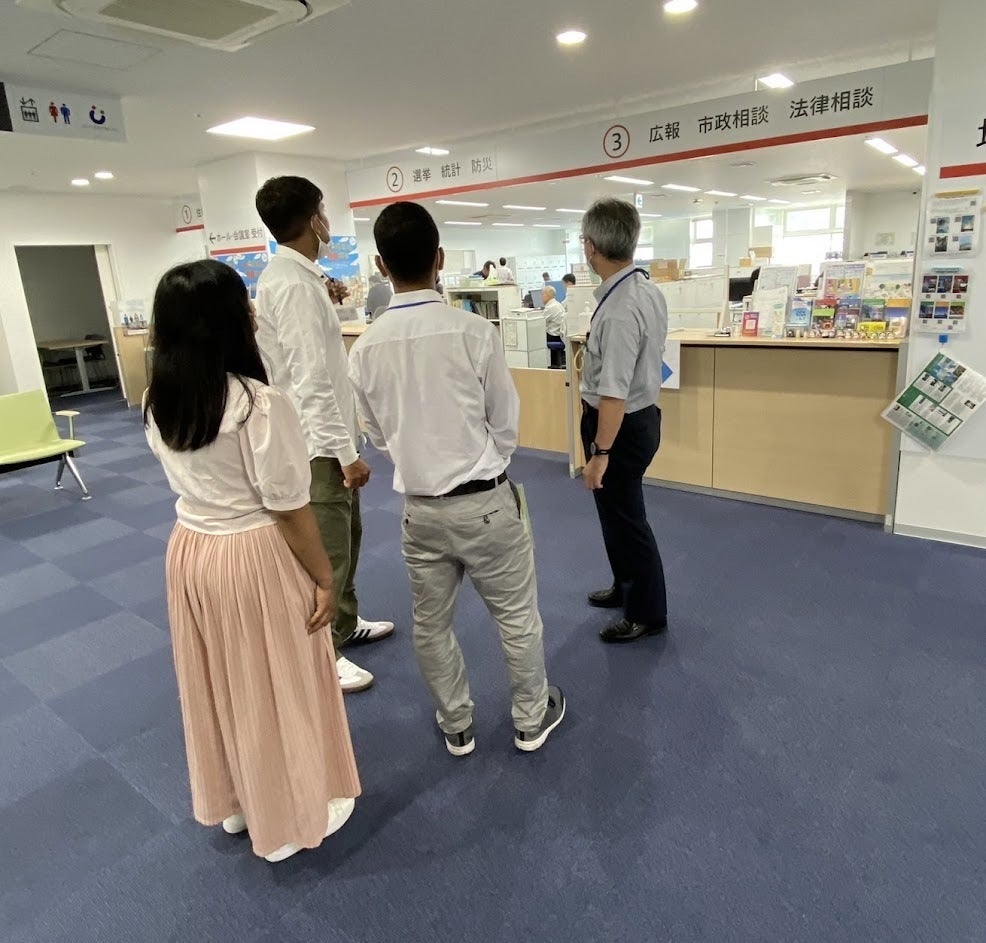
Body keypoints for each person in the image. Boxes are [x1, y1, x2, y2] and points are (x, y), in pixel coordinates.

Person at [144, 259, 360, 863]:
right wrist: (324, 577)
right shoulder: (256, 403)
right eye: (245, 304)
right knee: (277, 679)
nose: (254, 312)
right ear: (228, 321)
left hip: (191, 550)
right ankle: (287, 815)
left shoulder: (158, 399)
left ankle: (239, 799)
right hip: (253, 554)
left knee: (219, 678)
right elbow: (289, 507)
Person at [348, 201, 565, 757]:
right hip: (486, 503)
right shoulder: (473, 331)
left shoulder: (365, 348)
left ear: (380, 265)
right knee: (516, 617)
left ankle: (456, 726)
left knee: (431, 625)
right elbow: (506, 421)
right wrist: (483, 459)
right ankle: (530, 719)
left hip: (419, 511)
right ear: (440, 258)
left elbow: (374, 432)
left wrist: (418, 456)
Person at [254, 176, 394, 694]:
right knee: (328, 552)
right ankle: (324, 654)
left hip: (327, 440)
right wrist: (343, 452)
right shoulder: (291, 285)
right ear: (314, 220)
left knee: (348, 537)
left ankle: (345, 624)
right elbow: (309, 382)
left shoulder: (299, 277)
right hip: (317, 447)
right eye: (324, 211)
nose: (328, 221)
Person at [579, 198, 669, 643]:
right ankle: (625, 584)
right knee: (615, 515)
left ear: (591, 247)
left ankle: (646, 613)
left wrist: (600, 453)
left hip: (619, 427)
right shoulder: (644, 289)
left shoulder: (618, 310)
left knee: (628, 521)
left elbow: (613, 392)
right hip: (640, 417)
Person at [542, 285, 567, 369]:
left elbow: (541, 322)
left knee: (535, 338)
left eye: (542, 294)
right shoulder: (558, 304)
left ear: (546, 295)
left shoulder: (550, 307)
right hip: (559, 335)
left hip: (554, 336)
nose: (541, 297)